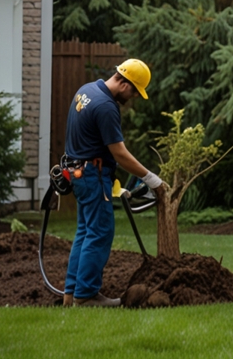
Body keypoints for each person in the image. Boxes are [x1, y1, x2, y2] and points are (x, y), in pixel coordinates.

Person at [61, 58, 167, 307]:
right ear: (124, 83)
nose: (132, 98)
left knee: (85, 232)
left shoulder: (85, 90)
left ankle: (71, 295)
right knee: (99, 232)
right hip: (91, 175)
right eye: (134, 92)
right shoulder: (106, 106)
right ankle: (86, 297)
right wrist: (151, 179)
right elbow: (119, 153)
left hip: (78, 172)